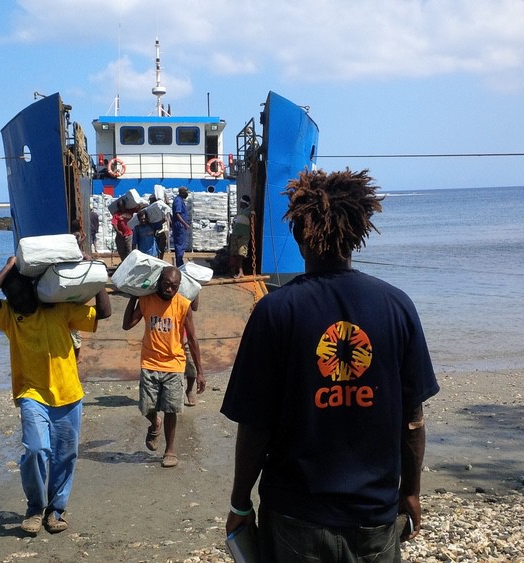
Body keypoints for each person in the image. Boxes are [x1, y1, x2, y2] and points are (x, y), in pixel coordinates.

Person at [221, 169, 439, 562]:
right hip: (374, 513)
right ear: (358, 231)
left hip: (296, 516)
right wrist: (411, 491)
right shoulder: (396, 306)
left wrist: (240, 504)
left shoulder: (274, 312)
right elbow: (413, 418)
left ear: (298, 234)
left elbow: (255, 424)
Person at [0, 256, 112, 534]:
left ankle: (56, 511)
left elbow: (104, 313)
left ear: (34, 289)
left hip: (68, 394)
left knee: (65, 456)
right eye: (11, 295)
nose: (17, 299)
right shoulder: (9, 317)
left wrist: (97, 277)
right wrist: (8, 268)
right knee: (36, 450)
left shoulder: (59, 309)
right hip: (32, 394)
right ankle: (35, 508)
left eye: (21, 292)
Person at [121, 267, 204, 468]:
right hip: (149, 362)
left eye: (174, 286)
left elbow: (192, 339)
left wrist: (200, 371)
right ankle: (154, 423)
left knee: (171, 409)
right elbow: (127, 325)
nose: (169, 289)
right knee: (147, 407)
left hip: (174, 364)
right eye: (166, 284)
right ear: (159, 282)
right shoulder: (147, 301)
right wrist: (134, 296)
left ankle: (170, 450)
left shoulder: (183, 305)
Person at [228, 194, 254, 278]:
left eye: (240, 202)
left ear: (244, 203)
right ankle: (233, 271)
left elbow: (253, 222)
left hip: (243, 236)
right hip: (235, 235)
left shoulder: (249, 212)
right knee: (234, 253)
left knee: (241, 254)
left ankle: (240, 271)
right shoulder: (240, 212)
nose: (239, 204)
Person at [170, 187, 191, 266]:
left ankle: (180, 262)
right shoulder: (178, 201)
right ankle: (179, 263)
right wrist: (185, 224)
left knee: (181, 244)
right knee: (180, 244)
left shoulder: (180, 200)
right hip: (180, 225)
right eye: (186, 193)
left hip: (180, 225)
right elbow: (177, 213)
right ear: (182, 192)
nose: (187, 194)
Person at [148, 194, 171, 260]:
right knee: (154, 247)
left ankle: (160, 259)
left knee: (161, 247)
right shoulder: (149, 209)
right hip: (153, 231)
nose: (150, 202)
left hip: (161, 230)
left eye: (151, 201)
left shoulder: (161, 207)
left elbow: (167, 211)